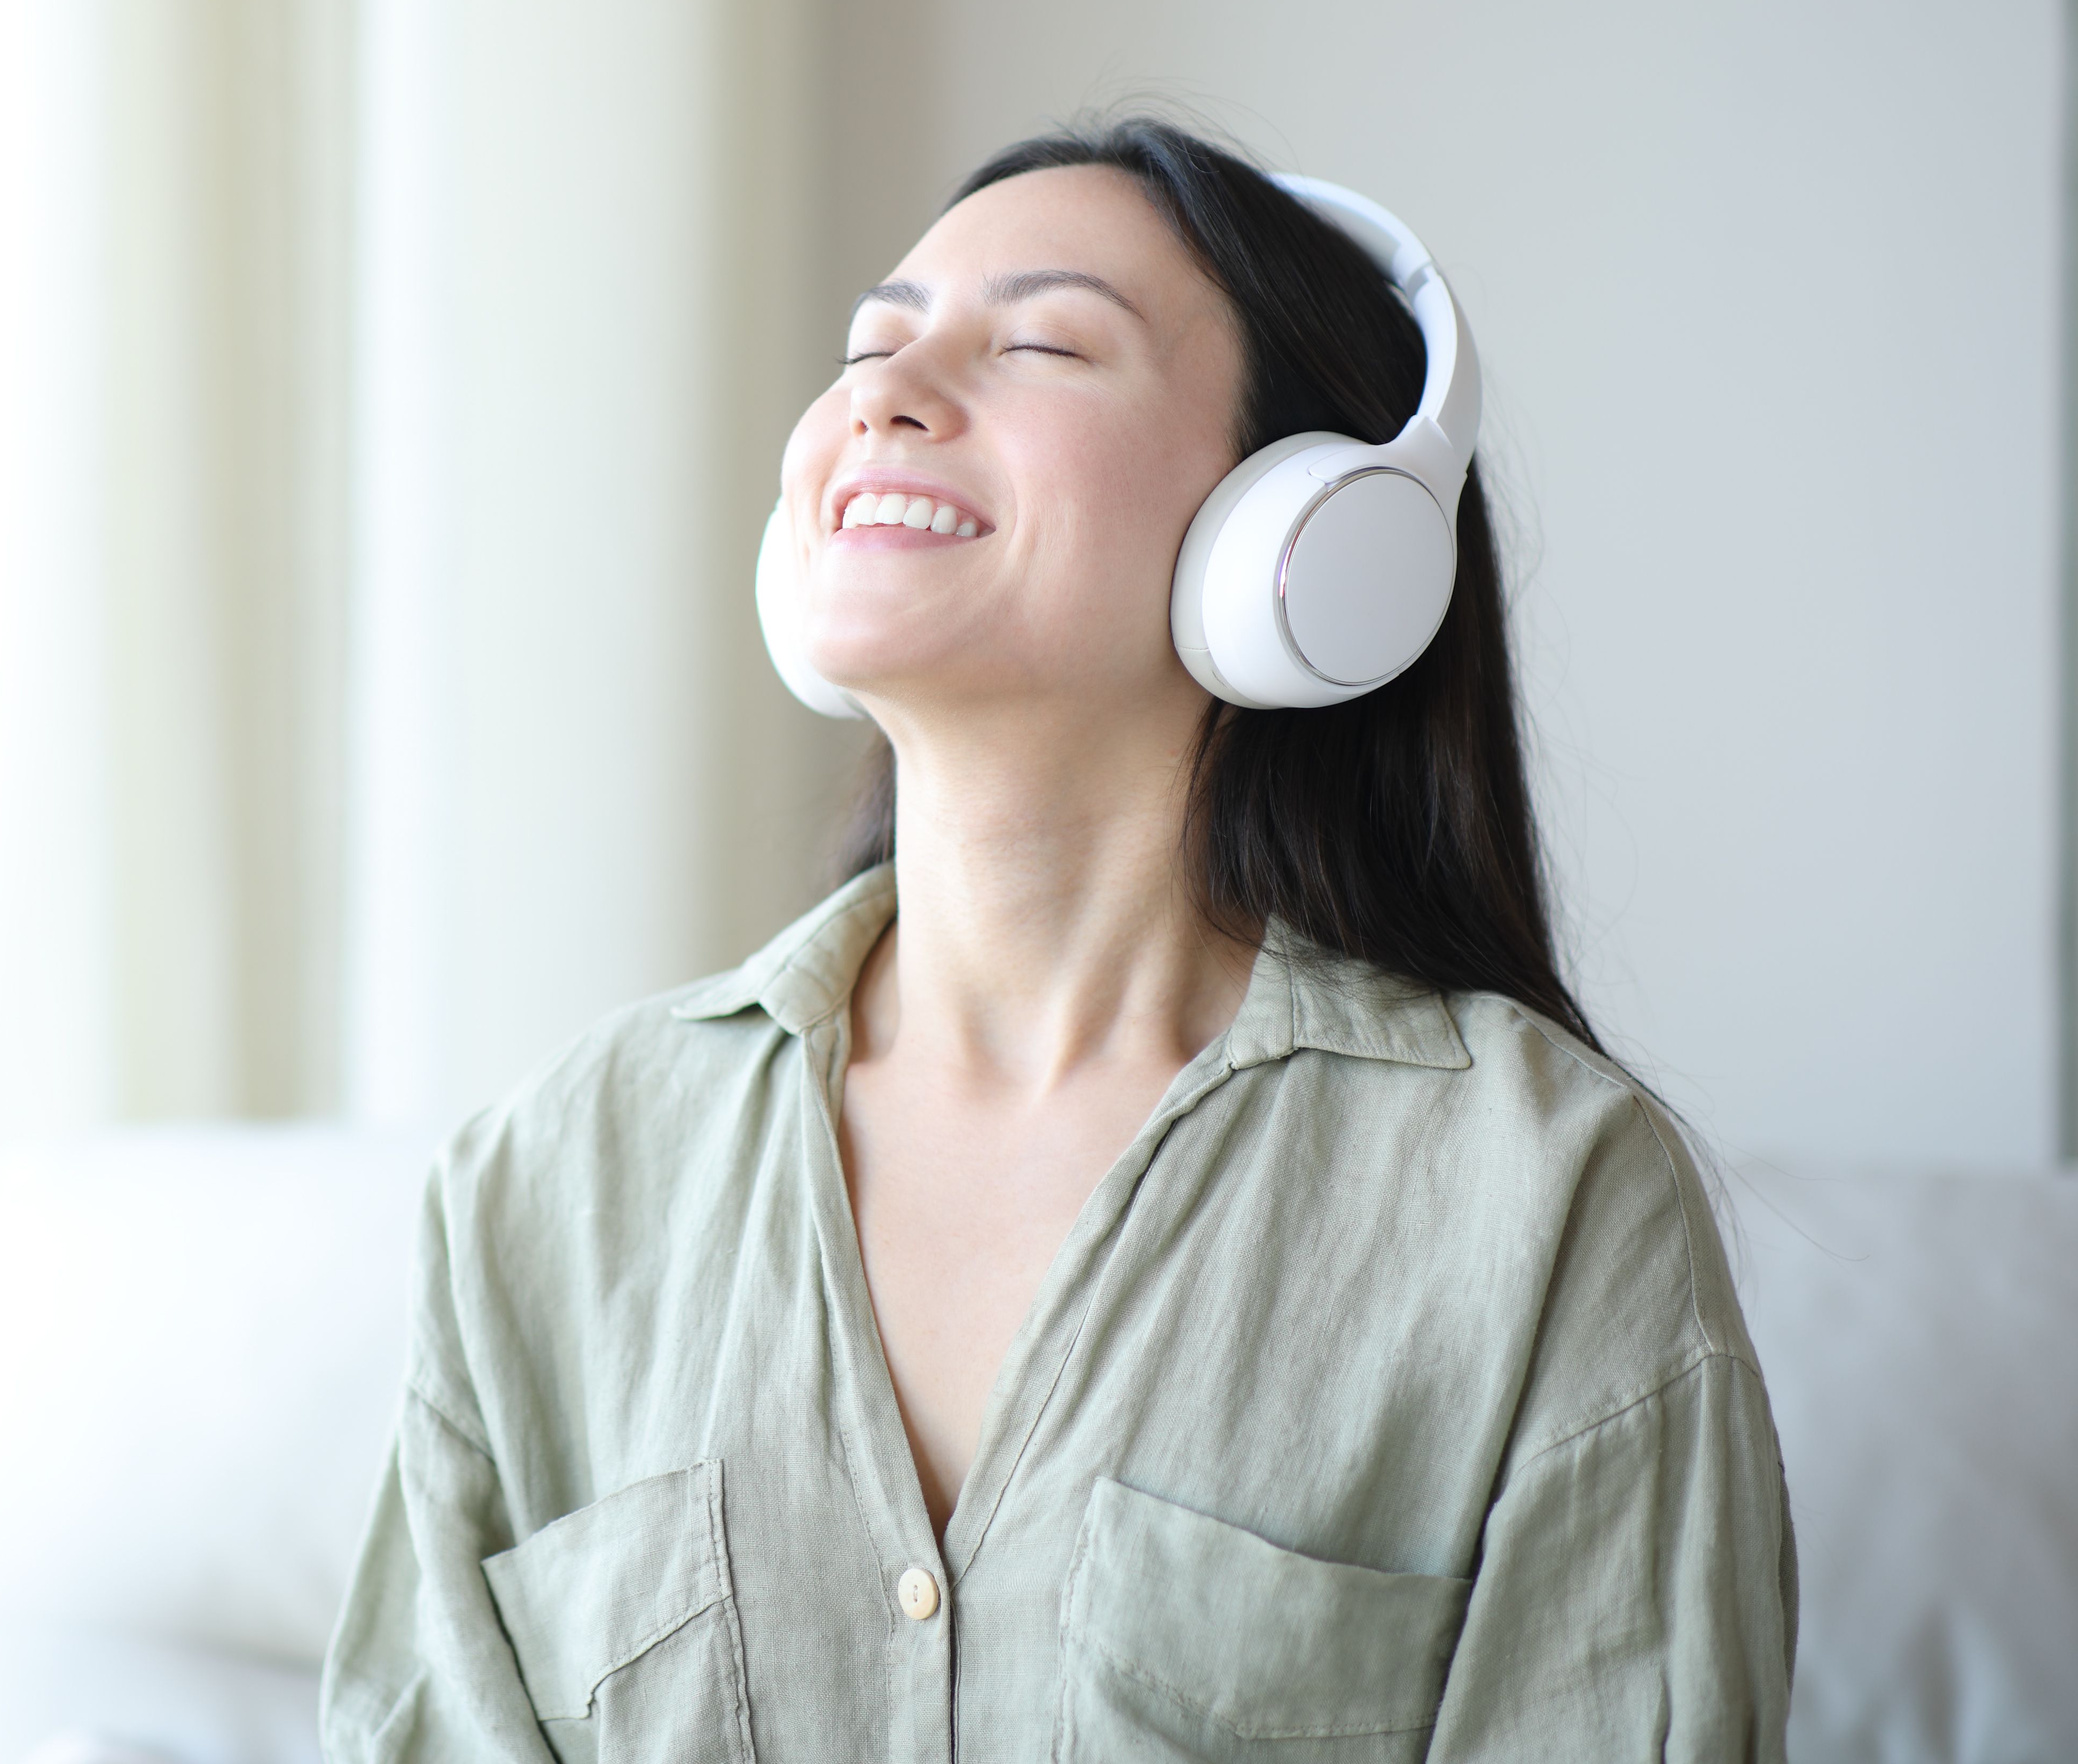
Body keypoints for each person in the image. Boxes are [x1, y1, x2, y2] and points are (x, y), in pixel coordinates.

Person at [319, 119, 1795, 1763]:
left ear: (1306, 530)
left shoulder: (1550, 1197)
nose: (885, 392)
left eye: (1040, 345)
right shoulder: (546, 1181)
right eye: (869, 347)